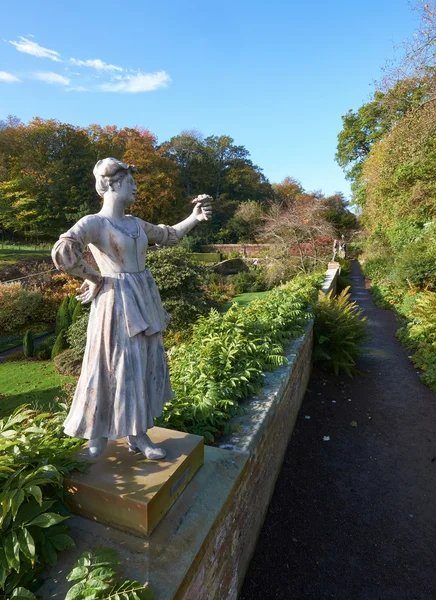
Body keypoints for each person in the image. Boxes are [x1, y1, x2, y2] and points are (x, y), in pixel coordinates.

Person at [52, 158, 212, 460]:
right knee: (110, 364)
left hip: (144, 296)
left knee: (142, 364)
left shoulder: (135, 223)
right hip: (115, 300)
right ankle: (96, 430)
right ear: (112, 184)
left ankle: (138, 435)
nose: (136, 187)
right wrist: (94, 277)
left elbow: (169, 235)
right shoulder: (94, 223)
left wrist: (194, 217)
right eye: (130, 182)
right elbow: (63, 252)